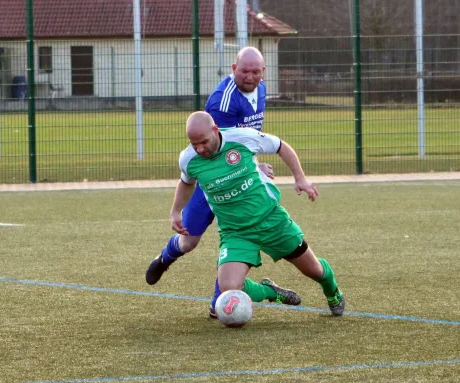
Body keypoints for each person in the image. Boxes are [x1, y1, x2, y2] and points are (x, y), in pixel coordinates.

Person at [168, 111, 345, 316]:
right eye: (194, 143)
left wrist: (300, 178)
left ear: (215, 131)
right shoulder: (188, 159)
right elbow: (186, 183)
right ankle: (270, 291)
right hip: (235, 232)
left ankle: (332, 290)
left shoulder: (241, 138)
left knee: (314, 270)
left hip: (271, 220)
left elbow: (280, 146)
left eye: (203, 142)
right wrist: (175, 211)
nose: (199, 148)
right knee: (228, 288)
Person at [146, 47, 273, 318]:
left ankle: (220, 301)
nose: (250, 77)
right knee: (188, 240)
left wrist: (253, 163)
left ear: (263, 72)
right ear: (233, 68)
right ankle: (164, 258)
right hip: (214, 176)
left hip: (238, 175)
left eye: (255, 72)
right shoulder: (222, 103)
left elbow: (249, 137)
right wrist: (252, 166)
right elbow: (218, 150)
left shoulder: (260, 90)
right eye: (244, 71)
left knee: (234, 232)